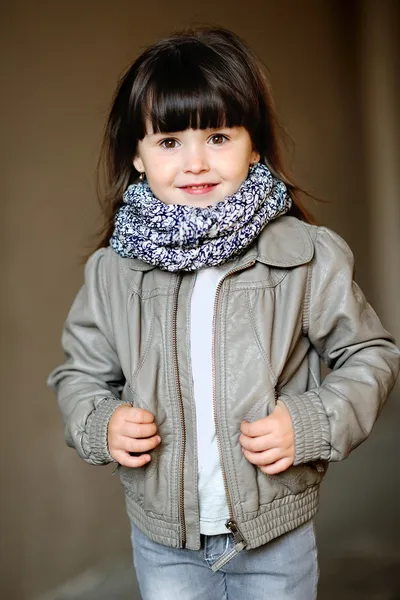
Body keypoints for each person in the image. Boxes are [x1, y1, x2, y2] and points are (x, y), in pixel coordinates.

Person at [48, 27, 400, 600]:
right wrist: (99, 422)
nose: (195, 162)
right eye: (168, 142)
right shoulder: (113, 272)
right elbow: (80, 374)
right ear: (136, 155)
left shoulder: (307, 255)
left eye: (217, 136)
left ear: (253, 145)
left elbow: (371, 355)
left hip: (274, 537)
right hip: (165, 543)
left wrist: (310, 422)